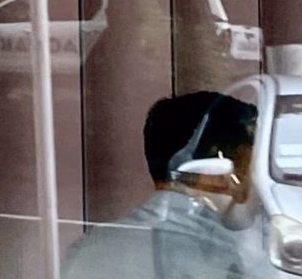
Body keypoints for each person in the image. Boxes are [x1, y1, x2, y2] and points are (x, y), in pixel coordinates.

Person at [63, 91, 263, 279]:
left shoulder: (87, 248)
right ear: (213, 170)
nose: (259, 185)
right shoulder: (206, 255)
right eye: (250, 163)